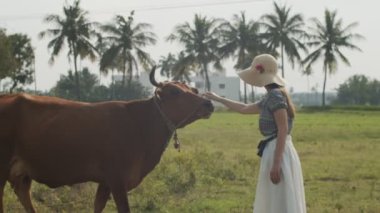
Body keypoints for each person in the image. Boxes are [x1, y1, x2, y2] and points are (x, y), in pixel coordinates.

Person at [203, 54, 306, 213]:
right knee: (276, 198)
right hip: (276, 149)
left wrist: (276, 163)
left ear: (260, 74)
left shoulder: (274, 96)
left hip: (278, 151)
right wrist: (219, 98)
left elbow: (283, 129)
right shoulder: (271, 96)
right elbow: (244, 108)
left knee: (279, 198)